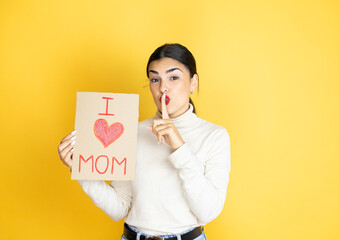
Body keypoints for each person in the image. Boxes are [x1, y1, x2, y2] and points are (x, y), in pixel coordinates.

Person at [57, 43, 231, 240]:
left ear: (193, 82)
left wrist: (179, 147)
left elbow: (208, 211)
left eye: (173, 77)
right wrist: (81, 169)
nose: (163, 87)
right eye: (155, 79)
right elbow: (119, 208)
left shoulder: (214, 135)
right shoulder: (132, 131)